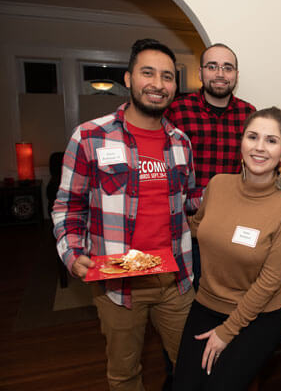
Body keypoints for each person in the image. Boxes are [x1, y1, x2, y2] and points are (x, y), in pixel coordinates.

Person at [52, 39, 200, 391]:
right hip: (118, 285)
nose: (158, 83)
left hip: (175, 282)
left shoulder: (181, 143)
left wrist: (243, 190)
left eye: (167, 76)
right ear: (129, 79)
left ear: (174, 87)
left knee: (192, 370)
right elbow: (67, 206)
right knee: (124, 375)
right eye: (147, 73)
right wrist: (72, 254)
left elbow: (191, 200)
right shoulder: (89, 137)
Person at [172, 107, 281, 391]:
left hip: (259, 315)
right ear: (241, 142)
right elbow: (198, 227)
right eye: (253, 137)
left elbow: (269, 283)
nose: (260, 147)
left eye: (271, 140)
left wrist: (227, 332)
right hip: (206, 304)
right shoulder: (218, 185)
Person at [165, 43, 256, 291]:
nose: (220, 73)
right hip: (191, 226)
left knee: (230, 292)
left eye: (228, 68)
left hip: (233, 224)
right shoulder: (177, 111)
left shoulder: (250, 114)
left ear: (236, 75)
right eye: (212, 66)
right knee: (191, 295)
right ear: (200, 72)